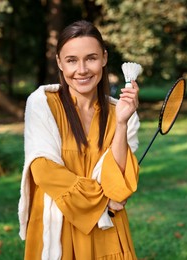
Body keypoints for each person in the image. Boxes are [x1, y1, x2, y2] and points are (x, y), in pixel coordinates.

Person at [18, 20, 141, 259]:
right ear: (59, 63)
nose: (82, 69)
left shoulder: (121, 113)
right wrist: (102, 200)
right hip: (57, 227)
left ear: (104, 59)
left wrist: (123, 122)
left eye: (91, 58)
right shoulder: (42, 103)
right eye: (72, 60)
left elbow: (118, 185)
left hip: (107, 231)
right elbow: (45, 171)